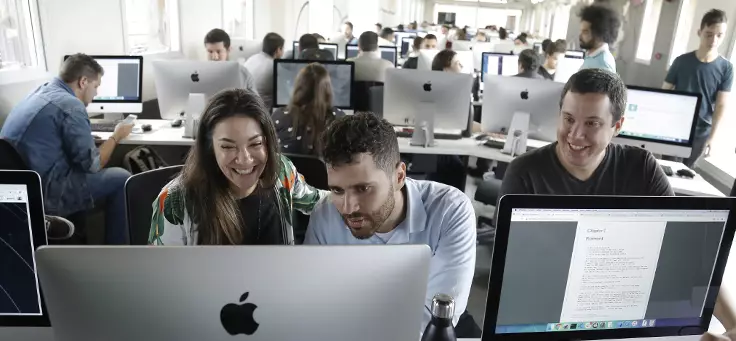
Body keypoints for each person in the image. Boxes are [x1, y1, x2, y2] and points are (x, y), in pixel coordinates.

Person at [304, 113, 476, 331]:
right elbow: (315, 304)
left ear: (399, 176)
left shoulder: (450, 211)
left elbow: (435, 320)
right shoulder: (325, 214)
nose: (348, 208)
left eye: (363, 188)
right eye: (337, 190)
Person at [148, 89, 327, 246]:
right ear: (210, 149)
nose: (244, 159)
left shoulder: (281, 171)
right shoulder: (175, 201)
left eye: (255, 143)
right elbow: (162, 274)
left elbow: (318, 201)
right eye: (227, 146)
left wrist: (351, 191)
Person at [0, 53, 134, 244]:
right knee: (122, 178)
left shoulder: (40, 92)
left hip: (21, 187)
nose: (96, 94)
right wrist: (117, 135)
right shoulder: (71, 106)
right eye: (96, 87)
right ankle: (119, 251)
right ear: (83, 82)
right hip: (48, 192)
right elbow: (92, 165)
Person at [499, 68, 673, 197]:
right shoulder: (525, 172)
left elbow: (673, 234)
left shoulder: (642, 169)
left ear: (617, 126)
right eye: (569, 119)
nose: (575, 134)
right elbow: (507, 245)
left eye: (592, 123)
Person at [663, 9, 733, 167]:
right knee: (666, 172)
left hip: (701, 132)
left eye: (719, 35)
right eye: (709, 34)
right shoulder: (681, 61)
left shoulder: (726, 68)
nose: (714, 40)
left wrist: (712, 138)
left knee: (687, 174)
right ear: (699, 32)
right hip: (675, 128)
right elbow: (665, 93)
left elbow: (721, 105)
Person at [272, 63, 345, 155]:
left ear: (298, 87)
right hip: (323, 170)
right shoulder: (340, 120)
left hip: (287, 169)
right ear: (327, 89)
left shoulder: (279, 116)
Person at [204, 28, 259, 93]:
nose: (214, 57)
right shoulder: (200, 74)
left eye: (219, 52)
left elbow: (255, 101)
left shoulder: (243, 74)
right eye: (210, 51)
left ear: (228, 50)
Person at [243, 32, 285, 109]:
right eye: (282, 49)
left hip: (246, 109)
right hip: (264, 113)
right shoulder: (274, 66)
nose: (283, 53)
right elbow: (284, 94)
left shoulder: (251, 59)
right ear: (278, 49)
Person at [578, 4, 621, 73]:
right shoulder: (591, 55)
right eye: (581, 31)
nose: (580, 35)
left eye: (585, 32)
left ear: (599, 34)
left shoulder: (603, 65)